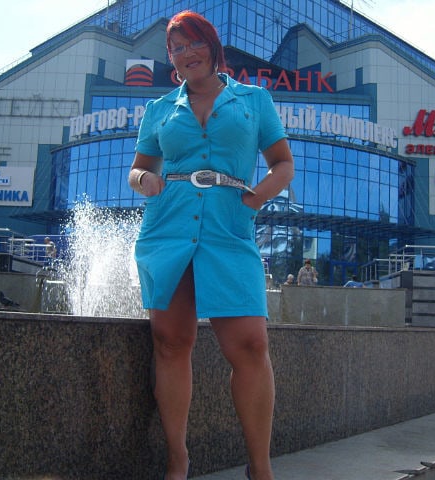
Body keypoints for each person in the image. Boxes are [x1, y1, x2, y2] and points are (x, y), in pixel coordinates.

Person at [128, 11, 294, 480]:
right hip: (168, 225)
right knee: (171, 341)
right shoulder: (159, 109)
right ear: (171, 58)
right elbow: (138, 168)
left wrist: (256, 197)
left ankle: (259, 467)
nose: (187, 53)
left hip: (229, 226)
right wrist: (144, 181)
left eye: (194, 43)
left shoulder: (254, 100)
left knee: (251, 344)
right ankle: (177, 459)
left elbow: (282, 163)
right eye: (177, 48)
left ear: (212, 46)